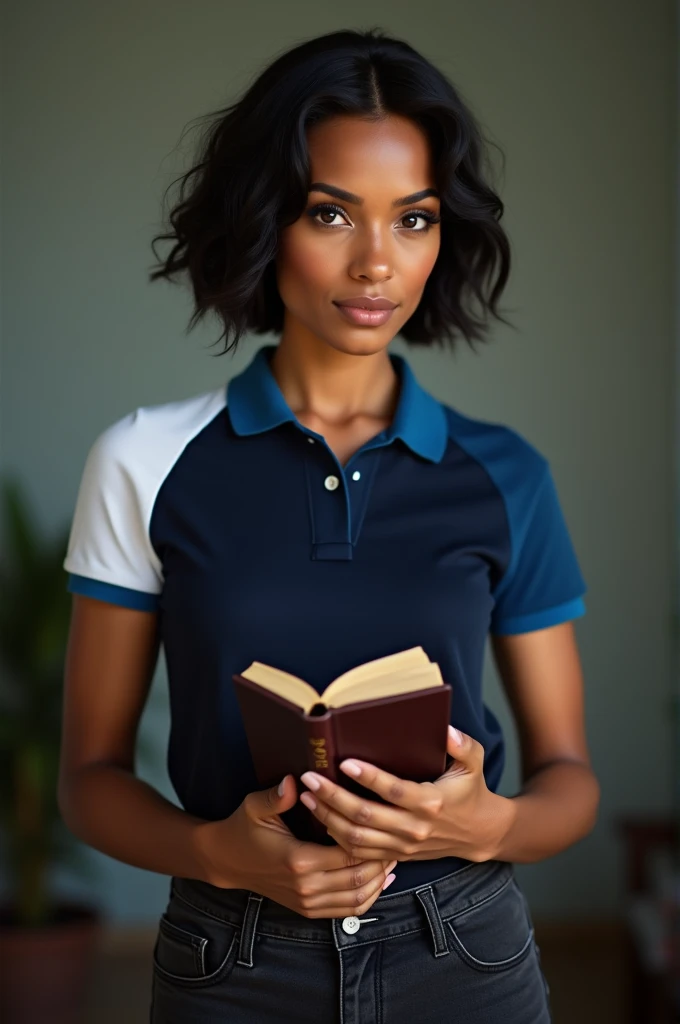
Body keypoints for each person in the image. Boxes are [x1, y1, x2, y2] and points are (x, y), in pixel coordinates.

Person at [57, 26, 600, 1024]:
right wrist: (219, 850)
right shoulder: (142, 459)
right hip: (229, 962)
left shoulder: (506, 474)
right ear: (269, 221)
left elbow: (568, 782)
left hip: (466, 956)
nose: (375, 264)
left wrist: (485, 823)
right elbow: (87, 782)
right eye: (330, 212)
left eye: (414, 219)